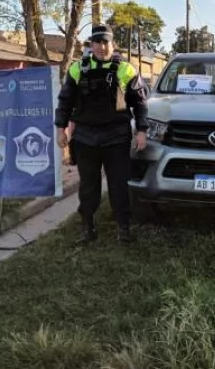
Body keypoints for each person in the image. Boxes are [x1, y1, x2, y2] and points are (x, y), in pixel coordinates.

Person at [54, 24, 150, 245]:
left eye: (106, 42)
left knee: (118, 184)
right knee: (88, 185)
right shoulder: (77, 69)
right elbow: (65, 102)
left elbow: (140, 104)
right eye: (97, 42)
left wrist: (142, 131)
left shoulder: (126, 69)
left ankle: (123, 228)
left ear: (112, 44)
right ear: (92, 45)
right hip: (85, 138)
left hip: (116, 137)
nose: (101, 47)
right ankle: (88, 227)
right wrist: (61, 129)